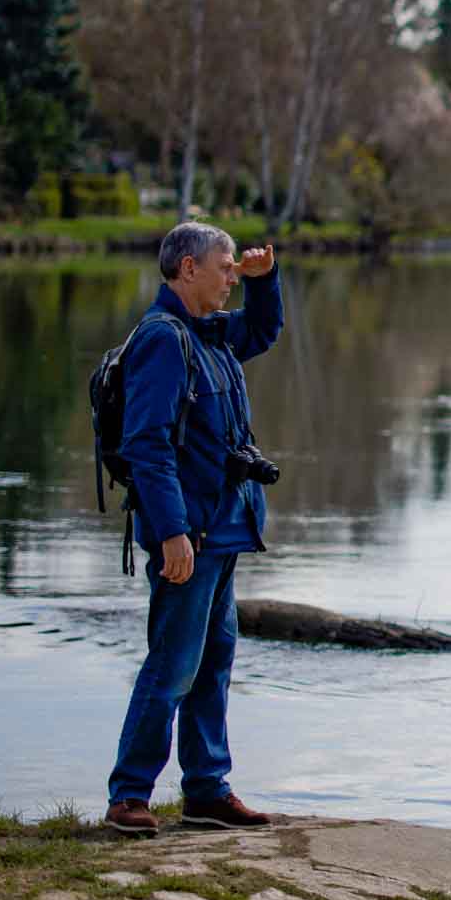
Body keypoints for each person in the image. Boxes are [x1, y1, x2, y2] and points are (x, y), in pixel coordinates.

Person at [103, 222, 283, 836]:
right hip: (190, 537)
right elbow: (146, 444)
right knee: (173, 665)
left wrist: (264, 281)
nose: (231, 277)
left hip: (224, 531)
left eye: (234, 269)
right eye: (225, 267)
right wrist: (172, 531)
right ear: (188, 269)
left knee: (213, 663)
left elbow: (262, 330)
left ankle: (206, 790)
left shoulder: (210, 333)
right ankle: (129, 796)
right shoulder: (163, 339)